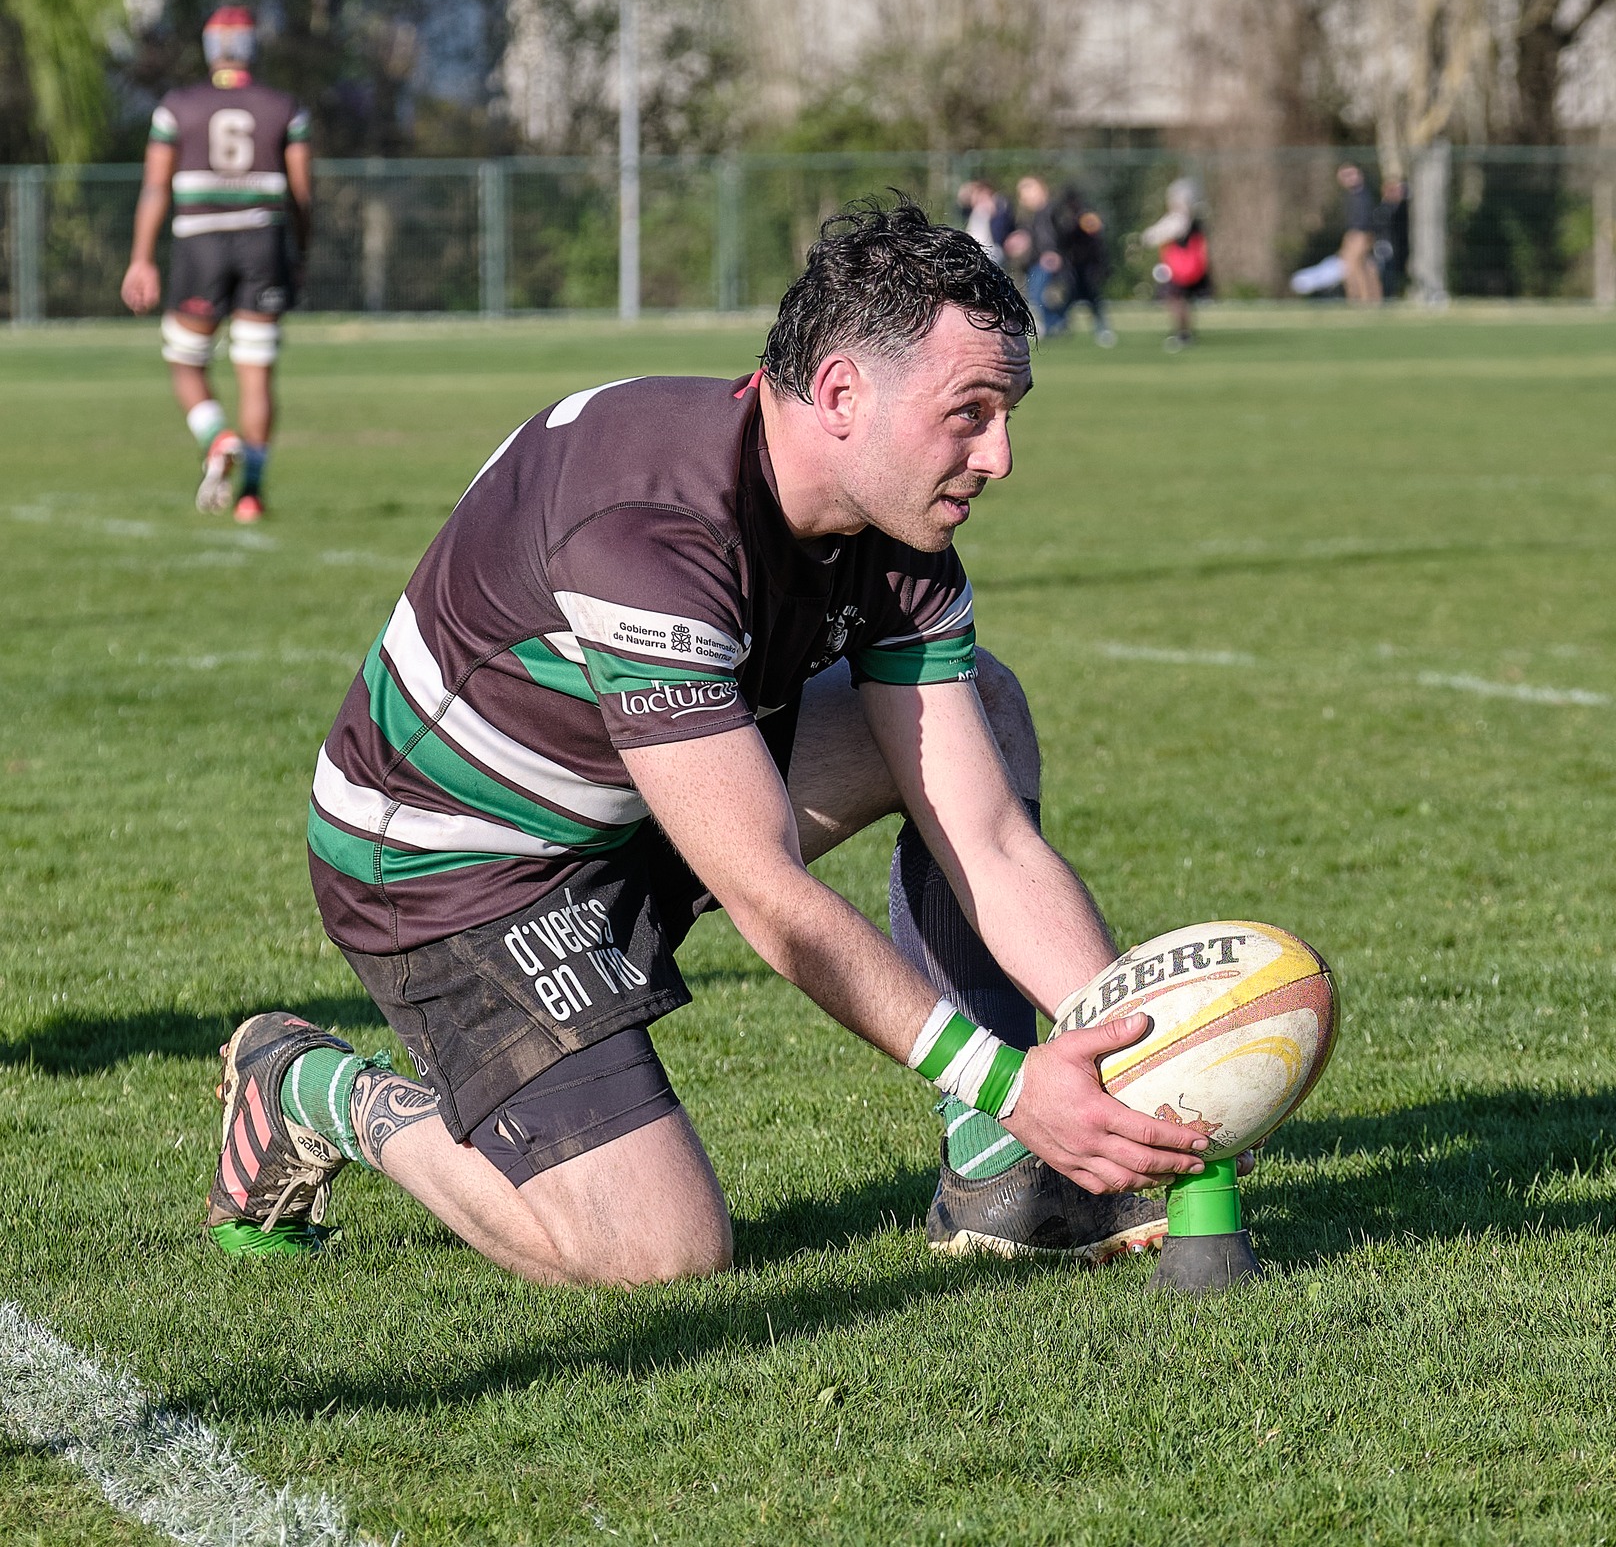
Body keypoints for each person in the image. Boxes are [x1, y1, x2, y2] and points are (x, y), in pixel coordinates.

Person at [204, 200, 1211, 1285]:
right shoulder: (647, 527)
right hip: (451, 869)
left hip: (643, 798)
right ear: (838, 393)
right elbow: (766, 895)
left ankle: (1003, 1174)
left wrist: (1147, 1057)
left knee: (985, 711)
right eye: (969, 413)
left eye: (1007, 413)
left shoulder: (902, 530)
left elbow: (988, 838)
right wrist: (1010, 1076)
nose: (999, 456)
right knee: (660, 1251)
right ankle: (309, 1086)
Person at [120, 4, 312, 523]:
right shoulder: (283, 106)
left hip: (199, 243)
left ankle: (217, 436)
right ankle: (251, 494)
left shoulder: (177, 106)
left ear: (210, 48)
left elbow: (157, 185)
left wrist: (141, 259)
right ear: (253, 45)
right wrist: (301, 253)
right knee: (256, 374)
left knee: (186, 359)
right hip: (264, 244)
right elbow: (301, 192)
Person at [1142, 178, 1209, 350]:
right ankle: (1185, 333)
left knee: (1176, 300)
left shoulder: (1180, 219)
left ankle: (1183, 334)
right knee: (1181, 301)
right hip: (1191, 267)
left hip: (1180, 269)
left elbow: (1152, 237)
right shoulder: (1194, 218)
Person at [1053, 184, 1116, 347]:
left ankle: (1101, 328)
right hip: (1072, 266)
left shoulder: (1086, 218)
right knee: (1070, 297)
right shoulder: (1064, 219)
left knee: (1093, 298)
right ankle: (1061, 324)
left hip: (1087, 265)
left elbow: (1096, 241)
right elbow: (1063, 240)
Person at [1005, 175, 1067, 336]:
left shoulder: (1052, 210)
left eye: (1026, 190)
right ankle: (1055, 324)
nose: (1023, 196)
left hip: (1048, 259)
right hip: (1037, 260)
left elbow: (1058, 234)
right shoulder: (1032, 215)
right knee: (1036, 296)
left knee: (1040, 296)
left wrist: (1053, 252)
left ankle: (1056, 323)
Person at [1335, 163, 1379, 304]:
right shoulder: (1352, 196)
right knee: (1361, 266)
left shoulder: (1363, 195)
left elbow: (1367, 219)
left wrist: (1361, 236)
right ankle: (1366, 298)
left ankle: (1364, 299)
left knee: (1356, 266)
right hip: (1354, 233)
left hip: (1360, 234)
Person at [956, 178, 1012, 267]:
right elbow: (961, 210)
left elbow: (1001, 231)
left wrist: (994, 212)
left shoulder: (998, 207)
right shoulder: (975, 211)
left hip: (992, 250)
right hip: (974, 249)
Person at [1372, 176, 1410, 302]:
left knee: (1393, 272)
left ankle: (1392, 294)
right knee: (1386, 272)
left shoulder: (1402, 208)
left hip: (1399, 246)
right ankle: (1386, 295)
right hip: (1385, 245)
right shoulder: (1383, 209)